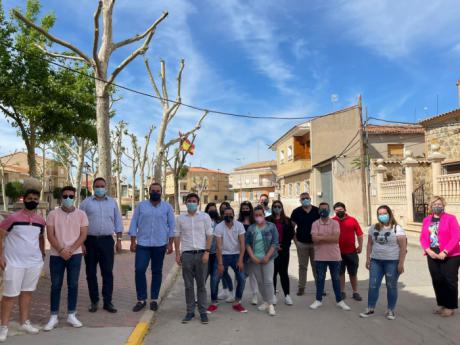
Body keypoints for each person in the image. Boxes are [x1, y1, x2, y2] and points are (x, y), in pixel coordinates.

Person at [0, 189, 45, 341]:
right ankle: (3, 327)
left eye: (35, 198)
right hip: (13, 263)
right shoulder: (13, 218)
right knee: (9, 296)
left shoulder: (40, 220)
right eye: (29, 198)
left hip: (33, 263)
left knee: (27, 293)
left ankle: (24, 322)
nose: (32, 201)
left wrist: (42, 255)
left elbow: (40, 238)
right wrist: (0, 256)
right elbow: (0, 235)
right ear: (23, 200)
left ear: (38, 201)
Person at [44, 186, 88, 331]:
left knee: (73, 285)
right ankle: (53, 317)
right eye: (65, 196)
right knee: (55, 285)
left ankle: (71, 314)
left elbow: (83, 235)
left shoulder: (81, 214)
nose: (68, 198)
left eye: (70, 196)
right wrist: (62, 250)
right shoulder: (52, 214)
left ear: (75, 197)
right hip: (57, 255)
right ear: (60, 197)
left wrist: (71, 250)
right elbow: (50, 235)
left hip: (75, 255)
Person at [129, 183, 175, 313]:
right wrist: (133, 242)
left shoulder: (167, 207)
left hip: (160, 245)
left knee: (156, 272)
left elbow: (172, 226)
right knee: (139, 270)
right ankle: (141, 299)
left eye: (158, 190)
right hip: (143, 244)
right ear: (149, 192)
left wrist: (170, 243)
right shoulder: (141, 206)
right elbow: (134, 223)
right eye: (153, 190)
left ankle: (154, 299)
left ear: (161, 192)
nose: (155, 192)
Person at [80, 177, 123, 313]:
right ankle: (94, 301)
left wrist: (119, 240)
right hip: (90, 241)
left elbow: (118, 220)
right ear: (93, 188)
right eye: (97, 186)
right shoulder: (86, 203)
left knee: (107, 273)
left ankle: (107, 302)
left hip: (107, 241)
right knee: (91, 272)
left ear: (106, 187)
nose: (99, 188)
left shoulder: (112, 203)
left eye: (102, 186)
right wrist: (81, 243)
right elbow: (79, 223)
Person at [360, 205, 407, 320]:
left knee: (391, 286)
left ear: (389, 214)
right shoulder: (374, 228)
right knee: (373, 285)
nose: (382, 216)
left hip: (392, 262)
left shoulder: (397, 228)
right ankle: (370, 308)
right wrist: (367, 258)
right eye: (380, 214)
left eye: (384, 213)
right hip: (376, 261)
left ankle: (390, 310)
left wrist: (401, 264)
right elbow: (370, 244)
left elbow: (403, 247)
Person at [174, 193, 213, 324]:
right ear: (186, 203)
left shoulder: (205, 217)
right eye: (189, 201)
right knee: (188, 285)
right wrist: (177, 254)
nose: (191, 203)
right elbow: (177, 236)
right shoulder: (180, 219)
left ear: (198, 203)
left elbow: (209, 235)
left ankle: (203, 312)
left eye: (194, 201)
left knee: (201, 285)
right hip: (187, 255)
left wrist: (207, 252)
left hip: (202, 254)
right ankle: (190, 311)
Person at [420, 196, 460, 317]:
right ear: (431, 206)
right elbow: (423, 237)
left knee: (450, 280)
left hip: (451, 254)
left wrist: (445, 252)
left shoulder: (451, 218)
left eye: (440, 204)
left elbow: (456, 236)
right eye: (435, 204)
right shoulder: (427, 220)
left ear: (443, 205)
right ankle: (442, 304)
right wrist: (428, 250)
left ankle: (450, 306)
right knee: (437, 280)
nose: (437, 206)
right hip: (432, 253)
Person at [309, 202, 351, 311]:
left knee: (336, 279)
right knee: (320, 279)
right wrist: (328, 237)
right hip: (320, 257)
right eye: (321, 209)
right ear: (319, 211)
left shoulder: (335, 223)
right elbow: (314, 239)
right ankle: (318, 300)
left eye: (325, 209)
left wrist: (321, 237)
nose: (323, 211)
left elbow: (336, 239)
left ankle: (339, 301)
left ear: (329, 210)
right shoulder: (315, 224)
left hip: (334, 257)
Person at [209, 207, 247, 313]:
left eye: (230, 213)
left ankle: (237, 301)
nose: (228, 215)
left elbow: (243, 244)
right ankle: (213, 302)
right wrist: (220, 264)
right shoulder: (219, 227)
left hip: (236, 255)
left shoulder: (239, 225)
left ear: (233, 215)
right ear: (222, 215)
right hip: (223, 255)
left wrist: (240, 260)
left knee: (242, 278)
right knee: (215, 278)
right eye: (226, 214)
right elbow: (218, 247)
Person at [245, 205, 278, 316]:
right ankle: (265, 301)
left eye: (260, 215)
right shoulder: (251, 228)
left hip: (268, 258)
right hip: (255, 258)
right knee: (259, 281)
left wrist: (267, 256)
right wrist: (252, 257)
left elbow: (274, 243)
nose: (258, 217)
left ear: (264, 215)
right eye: (256, 215)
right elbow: (247, 244)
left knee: (268, 281)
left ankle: (271, 304)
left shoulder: (271, 226)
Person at [332, 202, 364, 301]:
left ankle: (355, 292)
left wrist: (360, 246)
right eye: (337, 211)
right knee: (340, 273)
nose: (339, 212)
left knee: (353, 273)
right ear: (334, 212)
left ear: (345, 210)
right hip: (337, 253)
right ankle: (342, 292)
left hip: (351, 252)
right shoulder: (332, 221)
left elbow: (359, 234)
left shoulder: (352, 220)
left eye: (341, 210)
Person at [290, 192, 320, 296]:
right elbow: (291, 228)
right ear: (300, 200)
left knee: (316, 266)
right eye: (303, 199)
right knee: (302, 266)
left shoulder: (317, 211)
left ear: (310, 199)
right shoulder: (296, 212)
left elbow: (322, 225)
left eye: (307, 198)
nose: (305, 200)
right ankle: (301, 288)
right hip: (302, 243)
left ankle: (320, 288)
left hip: (315, 244)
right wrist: (296, 242)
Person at [266, 200, 295, 305]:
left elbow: (291, 235)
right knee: (272, 274)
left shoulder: (287, 221)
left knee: (283, 273)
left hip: (283, 250)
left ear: (282, 208)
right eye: (275, 206)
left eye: (279, 206)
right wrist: (273, 246)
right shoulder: (267, 220)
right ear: (272, 208)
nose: (277, 208)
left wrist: (283, 246)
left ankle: (287, 295)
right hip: (271, 251)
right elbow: (265, 235)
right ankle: (273, 295)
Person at [238, 201, 259, 305]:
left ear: (250, 209)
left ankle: (255, 295)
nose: (245, 210)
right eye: (243, 208)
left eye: (247, 208)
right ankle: (238, 296)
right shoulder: (237, 222)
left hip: (253, 251)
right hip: (241, 252)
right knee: (240, 275)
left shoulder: (255, 222)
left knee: (253, 275)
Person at [215, 201, 234, 302]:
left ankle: (230, 291)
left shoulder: (233, 223)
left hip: (230, 252)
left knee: (225, 273)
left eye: (226, 208)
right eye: (222, 209)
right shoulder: (219, 222)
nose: (224, 210)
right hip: (218, 251)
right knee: (222, 273)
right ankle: (225, 290)